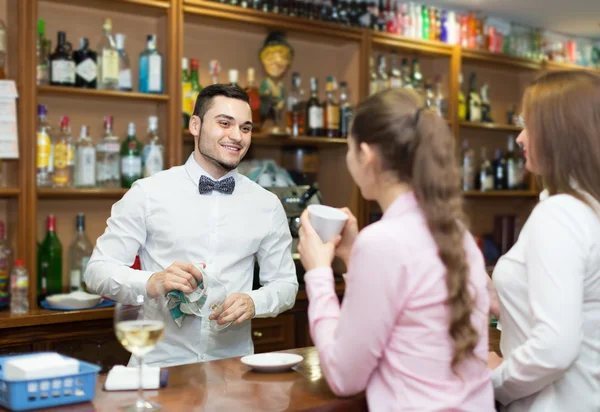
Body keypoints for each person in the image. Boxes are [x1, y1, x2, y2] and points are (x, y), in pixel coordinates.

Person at [297, 88, 494, 410]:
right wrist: (352, 255)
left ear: (366, 154)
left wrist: (318, 273)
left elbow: (344, 377)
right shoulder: (455, 231)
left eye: (348, 148)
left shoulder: (384, 242)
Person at [85, 84, 298, 367]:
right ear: (195, 125)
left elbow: (286, 284)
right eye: (224, 123)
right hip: (160, 368)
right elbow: (96, 272)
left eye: (245, 128)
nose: (236, 136)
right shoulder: (147, 193)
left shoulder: (267, 204)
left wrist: (254, 301)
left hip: (233, 371)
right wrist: (151, 281)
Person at [488, 70, 600, 411]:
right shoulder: (587, 207)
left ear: (559, 133)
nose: (520, 138)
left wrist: (494, 381)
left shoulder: (559, 215)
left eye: (529, 125)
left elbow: (554, 348)